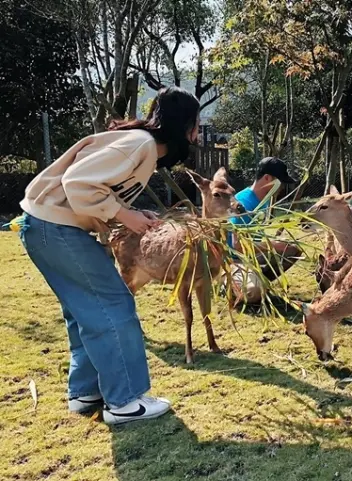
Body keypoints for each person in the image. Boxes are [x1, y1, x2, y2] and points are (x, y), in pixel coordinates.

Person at [18, 86, 200, 424]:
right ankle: (125, 401)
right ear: (183, 124)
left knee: (85, 311)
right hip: (56, 227)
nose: (198, 133)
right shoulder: (140, 144)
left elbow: (99, 192)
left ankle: (86, 391)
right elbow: (79, 182)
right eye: (196, 123)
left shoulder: (140, 147)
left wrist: (133, 214)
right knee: (114, 303)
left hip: (47, 227)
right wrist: (125, 214)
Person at [228, 157, 303, 300]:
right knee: (253, 291)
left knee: (293, 249)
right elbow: (237, 247)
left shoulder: (264, 200)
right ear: (268, 178)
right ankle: (235, 285)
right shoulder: (242, 204)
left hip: (251, 258)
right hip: (234, 261)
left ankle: (259, 281)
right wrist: (272, 245)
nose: (281, 188)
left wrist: (277, 245)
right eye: (280, 182)